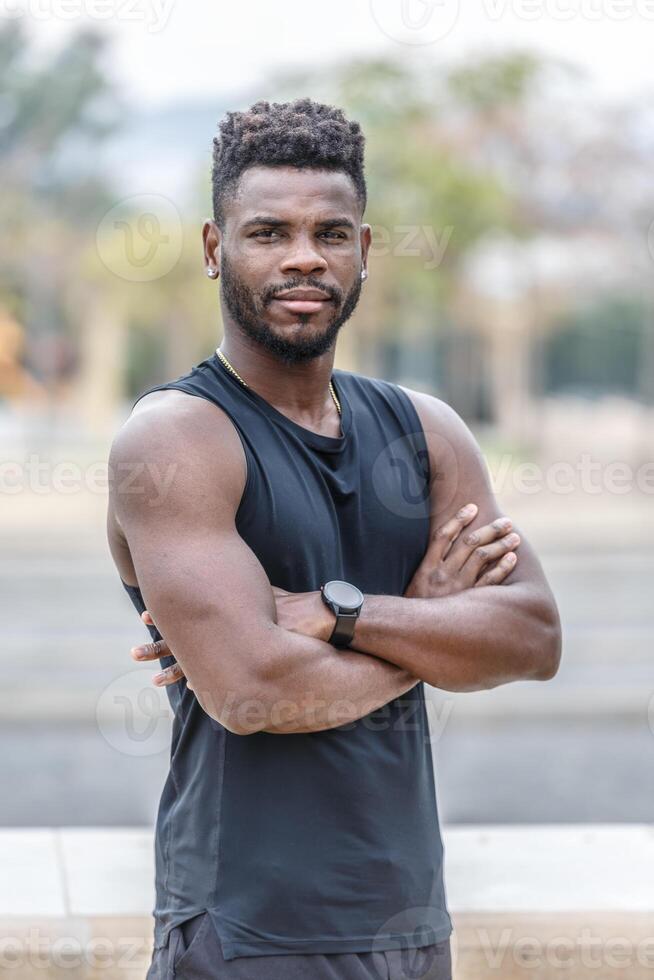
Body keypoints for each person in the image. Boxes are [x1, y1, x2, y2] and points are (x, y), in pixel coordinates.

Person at [107, 98, 561, 980]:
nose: (304, 256)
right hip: (245, 933)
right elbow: (253, 690)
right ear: (214, 249)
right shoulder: (176, 440)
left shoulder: (426, 432)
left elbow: (534, 638)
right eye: (268, 231)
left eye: (332, 232)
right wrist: (427, 625)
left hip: (411, 924)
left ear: (365, 251)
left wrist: (337, 611)